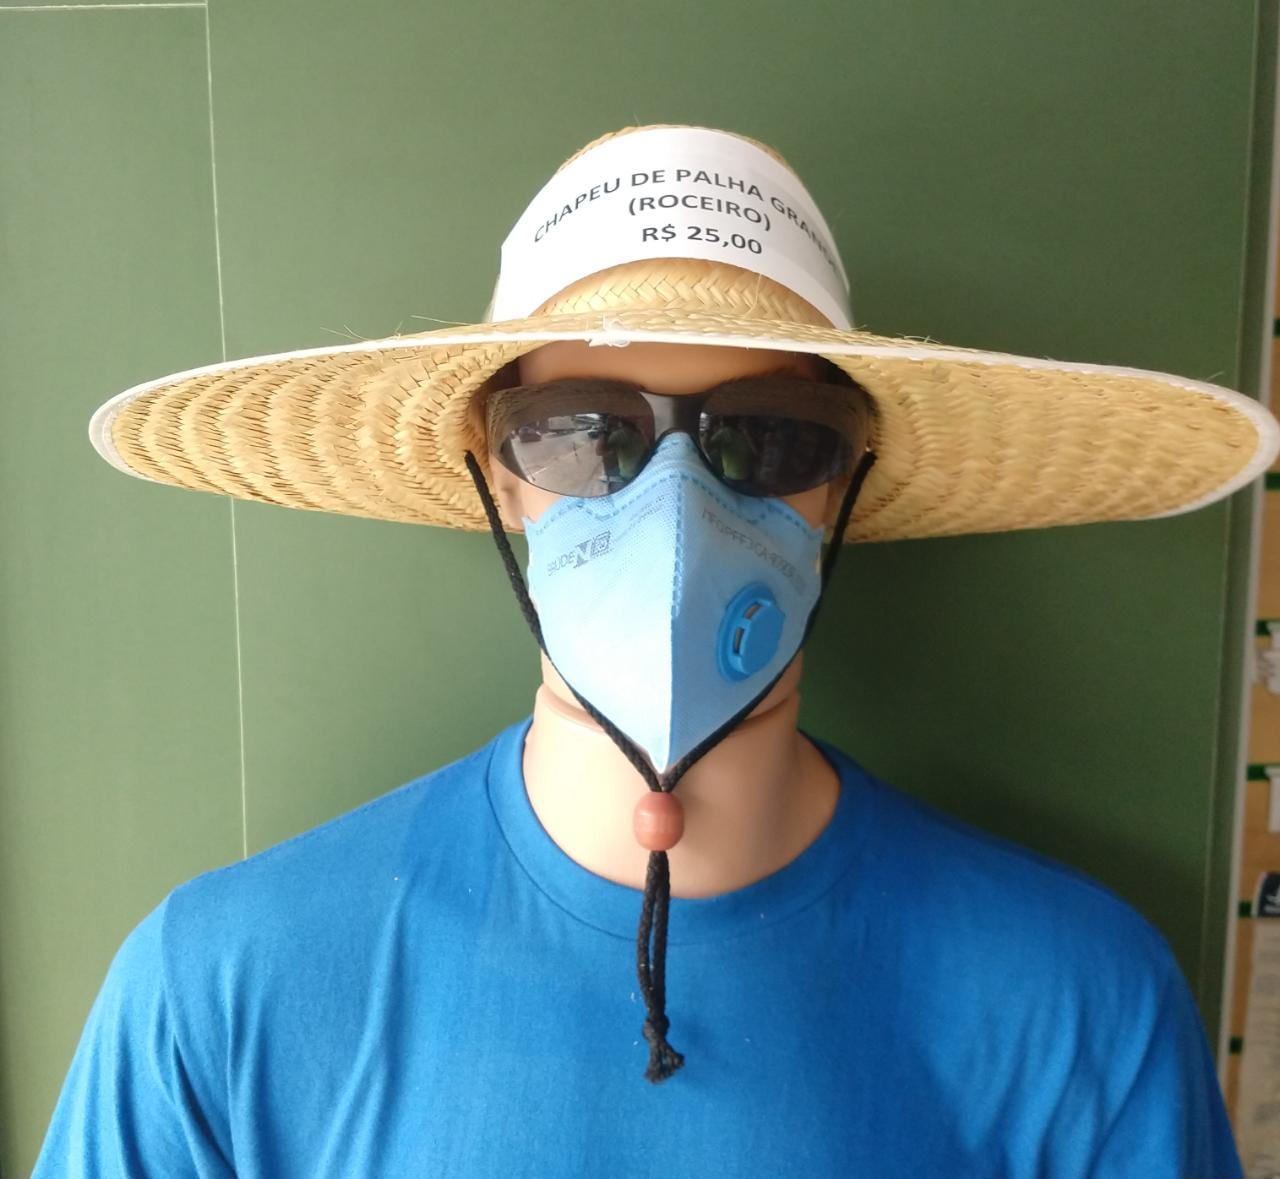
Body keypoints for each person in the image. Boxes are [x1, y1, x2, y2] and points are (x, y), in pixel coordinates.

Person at [33, 122, 1276, 1177]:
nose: (674, 510)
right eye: (582, 434)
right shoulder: (221, 992)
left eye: (766, 438)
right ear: (496, 478)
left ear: (844, 487)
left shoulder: (1074, 1004)